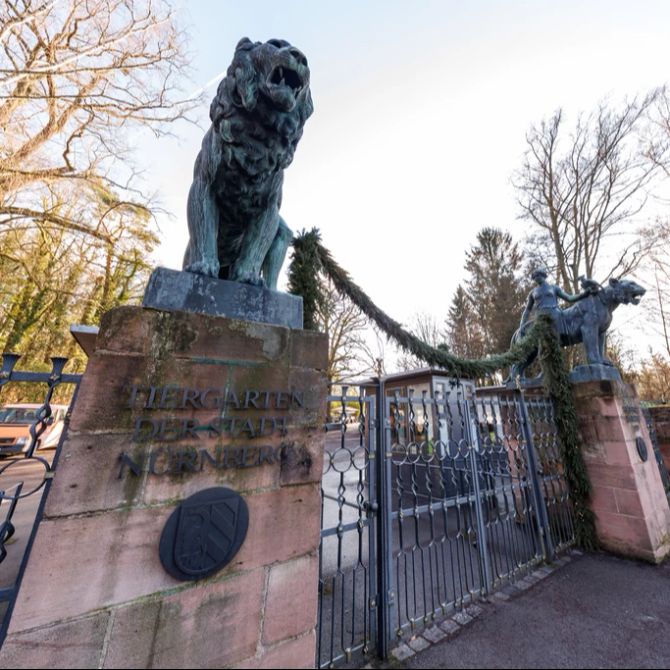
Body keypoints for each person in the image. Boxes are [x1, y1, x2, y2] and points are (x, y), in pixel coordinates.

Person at [518, 268, 597, 336]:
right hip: (540, 319)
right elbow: (527, 310)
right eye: (534, 277)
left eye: (538, 275)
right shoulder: (533, 292)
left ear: (543, 275)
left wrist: (584, 294)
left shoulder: (554, 288)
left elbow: (569, 298)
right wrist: (521, 325)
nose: (536, 278)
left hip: (555, 316)